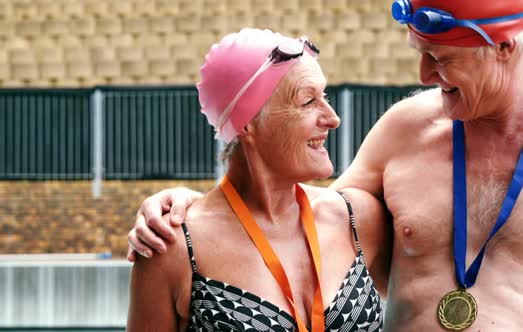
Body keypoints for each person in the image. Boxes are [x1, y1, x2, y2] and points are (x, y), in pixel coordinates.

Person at [128, 0, 523, 331]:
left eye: (440, 58)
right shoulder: (405, 128)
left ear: (504, 47)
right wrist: (188, 208)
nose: (425, 76)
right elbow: (303, 223)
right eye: (420, 54)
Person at [126, 28, 392, 331]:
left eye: (325, 97)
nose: (333, 118)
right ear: (248, 122)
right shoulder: (173, 245)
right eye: (308, 101)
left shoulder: (357, 218)